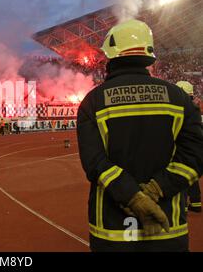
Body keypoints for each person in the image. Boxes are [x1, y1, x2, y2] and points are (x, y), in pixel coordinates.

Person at [77, 19, 203, 252]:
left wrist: (133, 197)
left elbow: (94, 163)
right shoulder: (178, 98)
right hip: (167, 226)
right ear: (148, 55)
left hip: (112, 230)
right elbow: (196, 155)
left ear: (111, 57)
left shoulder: (93, 102)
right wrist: (156, 190)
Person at [176, 81, 202, 213]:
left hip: (180, 148)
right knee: (193, 175)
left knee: (180, 175)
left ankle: (183, 205)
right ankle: (196, 202)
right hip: (195, 150)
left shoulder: (178, 108)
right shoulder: (195, 110)